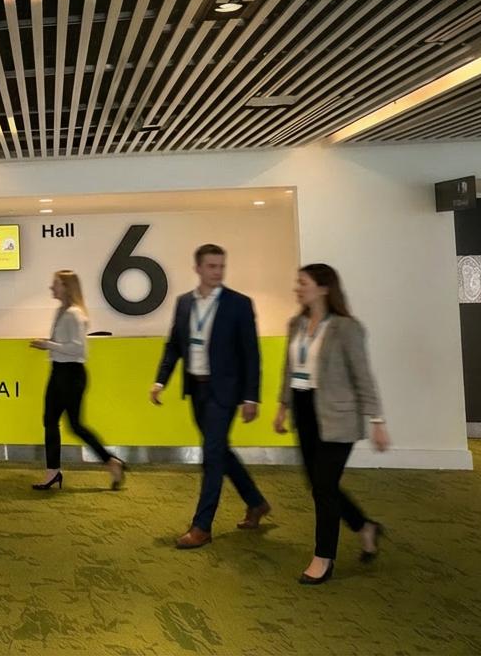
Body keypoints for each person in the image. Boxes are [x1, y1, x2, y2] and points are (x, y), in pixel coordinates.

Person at [274, 263, 390, 584]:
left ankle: (323, 558)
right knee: (319, 484)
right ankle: (364, 526)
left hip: (338, 416)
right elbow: (289, 369)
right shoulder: (296, 324)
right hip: (304, 410)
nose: (297, 288)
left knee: (324, 487)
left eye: (303, 283)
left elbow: (362, 375)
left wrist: (377, 420)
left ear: (323, 288)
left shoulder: (347, 328)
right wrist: (283, 406)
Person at [152, 244, 270, 549]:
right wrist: (160, 381)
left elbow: (251, 354)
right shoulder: (184, 303)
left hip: (225, 392)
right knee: (219, 451)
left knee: (211, 457)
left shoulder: (239, 304)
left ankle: (202, 526)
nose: (218, 272)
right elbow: (174, 346)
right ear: (198, 268)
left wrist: (251, 397)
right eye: (212, 266)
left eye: (221, 266)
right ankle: (256, 502)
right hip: (197, 389)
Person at [30, 270, 126, 491]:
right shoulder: (61, 311)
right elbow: (63, 343)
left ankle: (110, 461)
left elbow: (78, 349)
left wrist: (48, 345)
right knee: (50, 421)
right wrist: (47, 343)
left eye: (55, 283)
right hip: (58, 372)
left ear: (66, 286)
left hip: (71, 375)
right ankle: (53, 471)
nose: (52, 287)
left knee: (75, 425)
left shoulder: (74, 314)